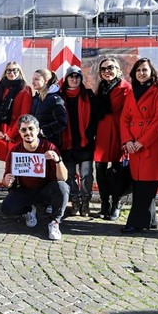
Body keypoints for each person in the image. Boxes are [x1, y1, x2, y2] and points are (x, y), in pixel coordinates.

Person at [1, 114, 69, 240]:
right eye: (24, 130)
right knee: (6, 208)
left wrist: (58, 160)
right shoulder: (15, 151)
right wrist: (7, 182)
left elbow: (63, 178)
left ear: (37, 130)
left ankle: (55, 223)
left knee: (63, 187)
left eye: (31, 129)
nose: (28, 133)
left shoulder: (49, 147)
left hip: (46, 190)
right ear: (20, 133)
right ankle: (29, 210)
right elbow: (7, 181)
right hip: (26, 190)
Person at [119, 58, 158, 233]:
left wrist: (141, 142)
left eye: (145, 70)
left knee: (146, 186)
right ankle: (151, 221)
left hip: (150, 146)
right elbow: (124, 118)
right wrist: (128, 141)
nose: (141, 73)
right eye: (138, 70)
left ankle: (137, 222)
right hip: (134, 146)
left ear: (151, 72)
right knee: (139, 185)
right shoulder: (132, 93)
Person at [93, 57, 131, 220]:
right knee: (100, 171)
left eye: (110, 68)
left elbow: (128, 114)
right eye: (103, 69)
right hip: (101, 134)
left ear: (118, 69)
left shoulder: (126, 88)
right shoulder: (101, 87)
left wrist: (127, 138)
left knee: (118, 171)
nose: (107, 71)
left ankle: (116, 204)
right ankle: (104, 203)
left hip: (118, 133)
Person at [59, 66, 96, 217]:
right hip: (67, 143)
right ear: (66, 79)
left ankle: (86, 201)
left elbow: (95, 118)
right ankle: (75, 200)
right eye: (71, 77)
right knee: (69, 175)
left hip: (84, 142)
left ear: (81, 79)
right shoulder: (59, 96)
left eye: (77, 77)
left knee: (87, 175)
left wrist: (90, 134)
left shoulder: (88, 95)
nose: (74, 79)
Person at [0, 61, 32, 161]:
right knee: (5, 163)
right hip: (2, 130)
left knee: (17, 161)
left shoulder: (26, 89)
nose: (11, 73)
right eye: (9, 70)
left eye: (15, 70)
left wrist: (11, 134)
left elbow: (24, 115)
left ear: (19, 72)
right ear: (5, 73)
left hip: (17, 130)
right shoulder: (0, 88)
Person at [30, 68, 67, 148]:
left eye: (36, 79)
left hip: (50, 144)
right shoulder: (35, 99)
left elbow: (62, 122)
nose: (33, 82)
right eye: (32, 79)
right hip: (36, 143)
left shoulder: (55, 99)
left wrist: (43, 131)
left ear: (46, 81)